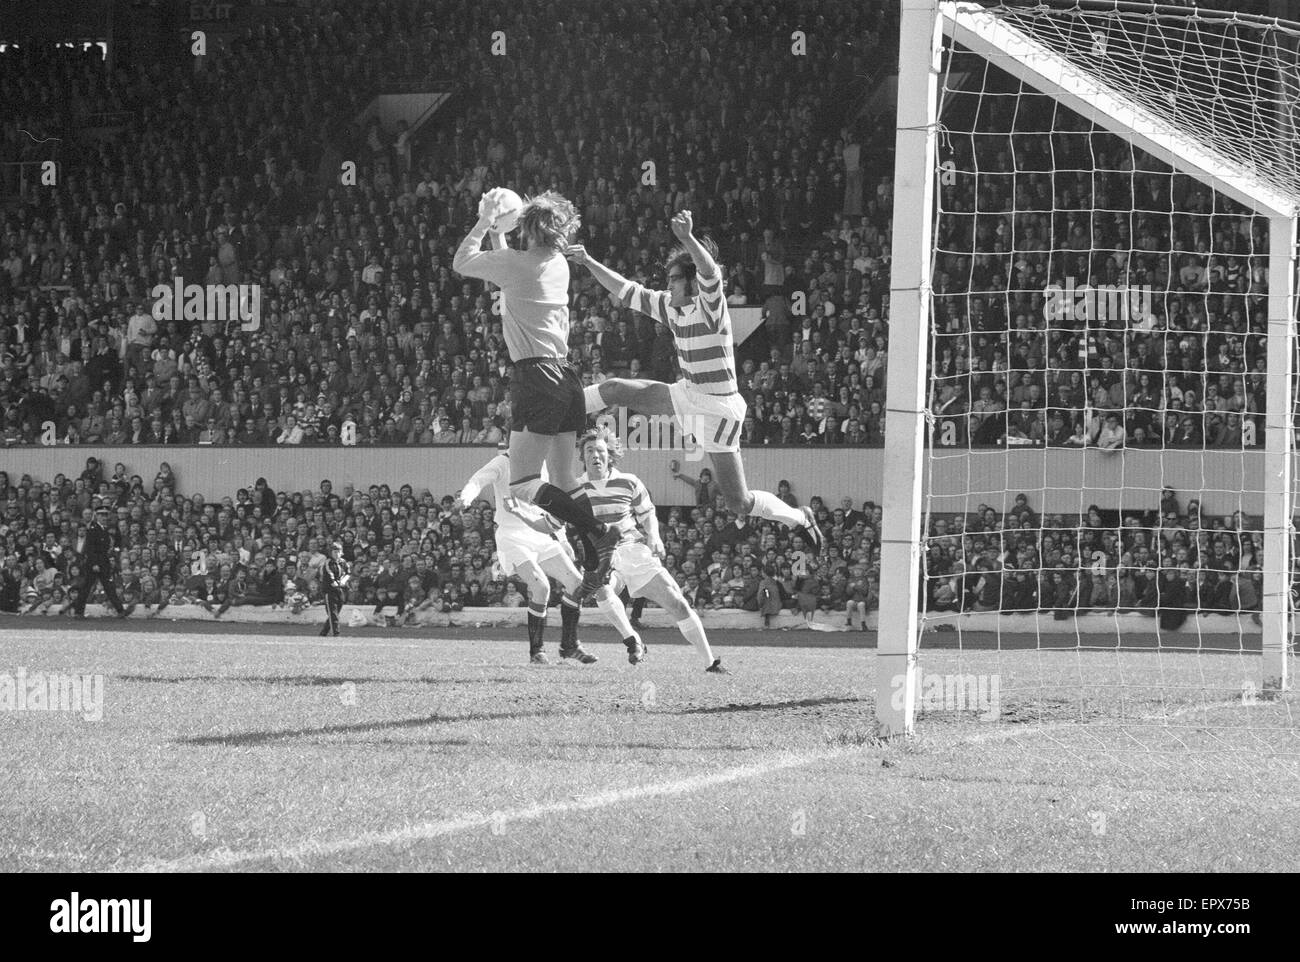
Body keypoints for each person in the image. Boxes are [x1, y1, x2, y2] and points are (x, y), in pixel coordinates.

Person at [568, 210, 823, 554]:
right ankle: (561, 406)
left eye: (673, 279)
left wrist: (687, 239)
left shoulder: (710, 308)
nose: (667, 284)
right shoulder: (671, 308)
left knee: (738, 502)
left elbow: (710, 272)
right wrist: (588, 261)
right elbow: (627, 291)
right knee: (615, 389)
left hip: (718, 409)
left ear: (689, 283)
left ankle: (798, 517)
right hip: (687, 393)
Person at [453, 188, 620, 596]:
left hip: (534, 377)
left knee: (523, 484)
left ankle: (599, 532)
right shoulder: (558, 263)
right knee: (564, 479)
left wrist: (484, 222)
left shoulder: (513, 263)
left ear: (525, 227)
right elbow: (507, 264)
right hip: (566, 376)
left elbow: (461, 262)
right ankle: (596, 552)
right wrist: (501, 232)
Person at [455, 441, 639, 664]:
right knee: (541, 587)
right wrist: (467, 496)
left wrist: (562, 539)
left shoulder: (540, 466)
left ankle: (569, 646)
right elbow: (478, 479)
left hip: (540, 534)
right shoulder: (502, 462)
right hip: (511, 536)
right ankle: (537, 652)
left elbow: (553, 505)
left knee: (577, 585)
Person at [575, 425, 728, 673]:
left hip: (634, 550)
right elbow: (555, 522)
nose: (595, 455)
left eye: (600, 450)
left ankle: (711, 663)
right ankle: (633, 640)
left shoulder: (629, 482)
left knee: (678, 603)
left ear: (609, 454)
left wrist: (654, 536)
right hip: (603, 556)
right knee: (601, 588)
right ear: (582, 457)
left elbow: (647, 513)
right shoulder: (575, 489)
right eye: (589, 450)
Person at [72, 505, 134, 618]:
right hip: (94, 564)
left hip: (103, 562)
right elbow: (90, 549)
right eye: (101, 515)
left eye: (105, 515)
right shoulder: (93, 529)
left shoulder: (104, 529)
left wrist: (114, 552)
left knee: (109, 587)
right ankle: (78, 612)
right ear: (97, 516)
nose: (104, 517)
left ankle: (120, 610)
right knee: (87, 588)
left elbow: (114, 544)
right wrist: (94, 563)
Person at [320, 542, 350, 636]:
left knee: (335, 613)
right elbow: (330, 574)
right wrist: (335, 582)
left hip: (340, 590)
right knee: (333, 613)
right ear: (331, 553)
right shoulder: (328, 562)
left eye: (338, 551)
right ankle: (336, 634)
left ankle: (323, 633)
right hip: (330, 591)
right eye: (334, 551)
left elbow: (347, 573)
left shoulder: (343, 562)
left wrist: (343, 581)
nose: (336, 554)